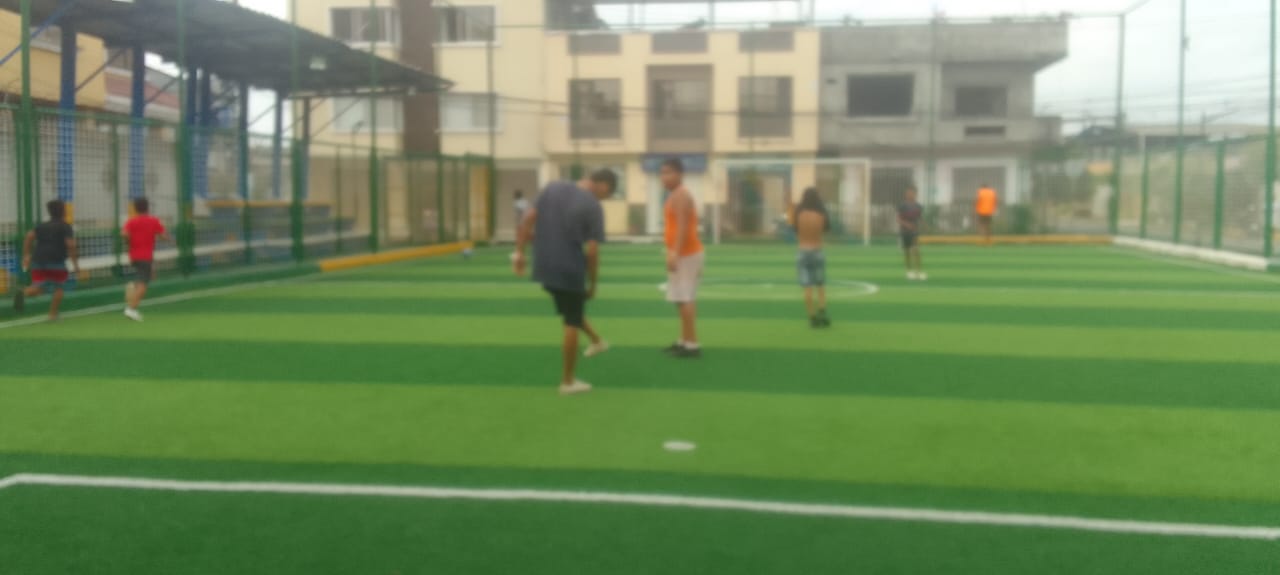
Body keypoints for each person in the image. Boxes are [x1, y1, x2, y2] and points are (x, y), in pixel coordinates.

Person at [512, 169, 617, 396]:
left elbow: (527, 220)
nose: (603, 199)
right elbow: (592, 251)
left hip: (544, 265)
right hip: (569, 268)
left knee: (570, 306)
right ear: (604, 186)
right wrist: (593, 284)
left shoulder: (553, 187)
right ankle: (568, 382)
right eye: (606, 195)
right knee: (572, 320)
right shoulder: (593, 206)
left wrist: (519, 253)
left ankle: (596, 341)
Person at [661, 158, 704, 359]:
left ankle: (692, 344)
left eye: (668, 172)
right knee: (680, 298)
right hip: (682, 253)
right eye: (662, 173)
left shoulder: (681, 195)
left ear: (679, 174)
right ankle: (684, 340)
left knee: (685, 297)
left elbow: (682, 227)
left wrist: (675, 253)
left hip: (686, 254)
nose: (664, 177)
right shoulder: (675, 195)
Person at [14, 200, 79, 321]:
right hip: (56, 261)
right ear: (63, 211)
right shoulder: (65, 226)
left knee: (38, 287)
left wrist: (26, 255)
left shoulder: (42, 226)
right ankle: (52, 314)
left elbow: (29, 236)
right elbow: (70, 245)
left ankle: (24, 292)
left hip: (38, 260)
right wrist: (75, 264)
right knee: (59, 288)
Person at [122, 198, 171, 322]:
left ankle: (133, 287)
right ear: (148, 207)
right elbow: (164, 235)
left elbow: (124, 234)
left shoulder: (131, 221)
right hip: (145, 256)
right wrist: (167, 238)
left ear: (135, 208)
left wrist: (129, 241)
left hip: (134, 255)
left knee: (143, 278)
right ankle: (131, 309)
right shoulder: (153, 221)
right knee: (144, 284)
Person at [794, 187, 830, 328]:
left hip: (803, 251)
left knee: (807, 287)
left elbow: (795, 229)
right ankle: (822, 312)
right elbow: (826, 229)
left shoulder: (799, 213)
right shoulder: (821, 214)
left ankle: (812, 317)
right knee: (820, 285)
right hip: (817, 251)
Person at [898, 186, 927, 281]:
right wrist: (907, 225)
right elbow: (898, 219)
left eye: (912, 193)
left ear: (915, 194)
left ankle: (918, 271)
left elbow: (920, 217)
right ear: (906, 195)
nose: (910, 195)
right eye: (908, 193)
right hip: (904, 231)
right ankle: (909, 271)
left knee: (916, 250)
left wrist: (924, 225)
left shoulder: (918, 206)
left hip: (914, 231)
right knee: (907, 252)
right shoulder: (902, 206)